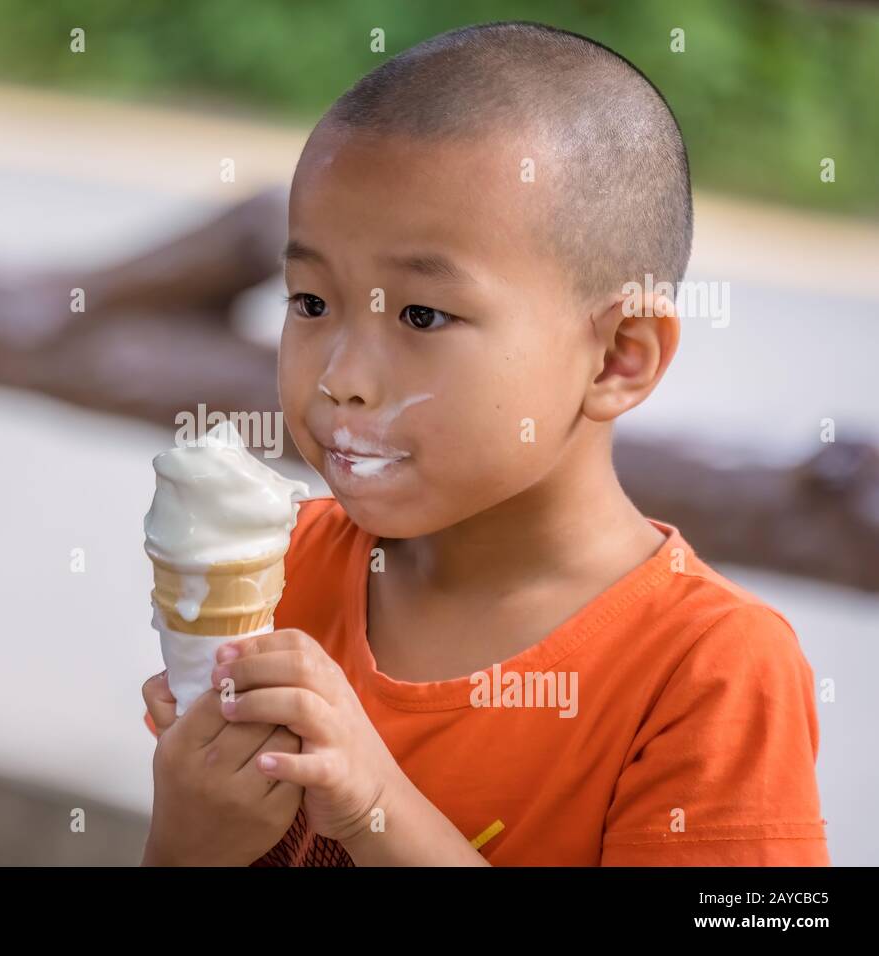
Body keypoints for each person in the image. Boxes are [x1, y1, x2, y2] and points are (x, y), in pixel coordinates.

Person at [139, 21, 828, 866]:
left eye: (423, 315)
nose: (344, 376)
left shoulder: (708, 671)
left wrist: (378, 807)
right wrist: (190, 839)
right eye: (312, 302)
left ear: (618, 356)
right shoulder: (276, 571)